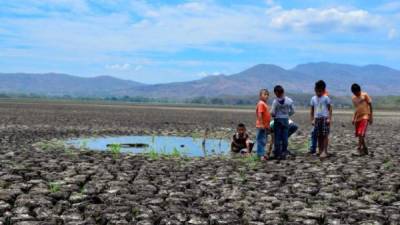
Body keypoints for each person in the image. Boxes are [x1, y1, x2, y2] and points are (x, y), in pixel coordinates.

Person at [270, 85, 295, 160]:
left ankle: (277, 153)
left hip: (277, 120)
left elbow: (273, 112)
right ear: (283, 91)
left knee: (277, 137)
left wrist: (274, 115)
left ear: (275, 93)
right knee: (285, 137)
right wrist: (287, 115)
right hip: (285, 119)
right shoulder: (289, 101)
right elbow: (293, 111)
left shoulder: (275, 102)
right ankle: (284, 152)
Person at [310, 80, 332, 159]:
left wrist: (329, 118)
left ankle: (325, 151)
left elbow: (330, 109)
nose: (318, 93)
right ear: (315, 90)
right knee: (318, 135)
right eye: (317, 91)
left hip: (324, 118)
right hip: (317, 119)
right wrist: (312, 119)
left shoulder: (326, 98)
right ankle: (320, 150)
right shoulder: (313, 99)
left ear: (323, 90)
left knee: (325, 135)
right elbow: (312, 110)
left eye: (320, 91)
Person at [351, 83, 373, 155]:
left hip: (365, 116)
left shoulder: (365, 95)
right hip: (358, 118)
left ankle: (359, 149)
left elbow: (370, 105)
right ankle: (365, 149)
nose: (356, 94)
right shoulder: (353, 98)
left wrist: (371, 116)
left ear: (359, 90)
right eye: (354, 93)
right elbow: (356, 109)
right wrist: (353, 118)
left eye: (357, 92)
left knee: (361, 133)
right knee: (359, 134)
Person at [256, 89, 271, 160]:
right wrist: (261, 124)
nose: (266, 96)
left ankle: (262, 153)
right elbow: (260, 114)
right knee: (261, 140)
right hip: (261, 126)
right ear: (260, 96)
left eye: (267, 94)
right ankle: (260, 155)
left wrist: (267, 126)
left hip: (265, 126)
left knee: (264, 140)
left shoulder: (264, 104)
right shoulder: (261, 103)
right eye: (264, 94)